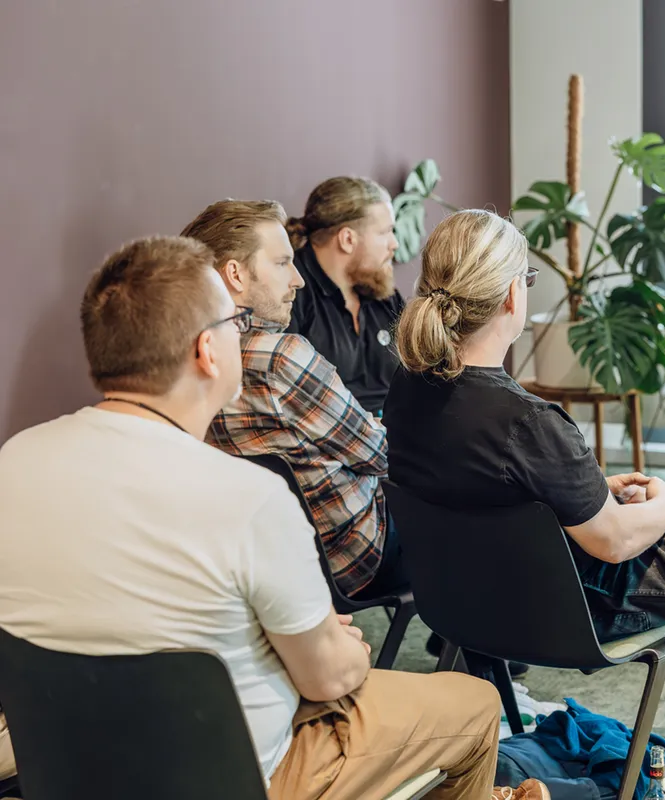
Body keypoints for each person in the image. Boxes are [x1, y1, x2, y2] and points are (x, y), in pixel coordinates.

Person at [0, 236, 542, 800]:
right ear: (207, 352)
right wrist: (341, 648)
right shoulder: (249, 498)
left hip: (66, 770)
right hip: (244, 776)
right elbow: (328, 679)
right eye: (235, 322)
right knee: (472, 703)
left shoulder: (15, 459)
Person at [384, 209, 665, 781]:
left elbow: (486, 485)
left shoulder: (407, 387)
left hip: (460, 603)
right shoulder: (528, 421)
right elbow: (614, 543)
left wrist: (590, 488)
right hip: (569, 608)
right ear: (510, 299)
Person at [182, 199, 400, 599]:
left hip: (262, 562)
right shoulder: (281, 358)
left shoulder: (182, 360)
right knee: (468, 514)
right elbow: (384, 455)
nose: (297, 280)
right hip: (349, 556)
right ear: (236, 274)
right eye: (283, 263)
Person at [286, 176, 403, 415]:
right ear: (347, 239)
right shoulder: (290, 293)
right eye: (385, 232)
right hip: (330, 441)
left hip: (397, 439)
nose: (394, 244)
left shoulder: (384, 294)